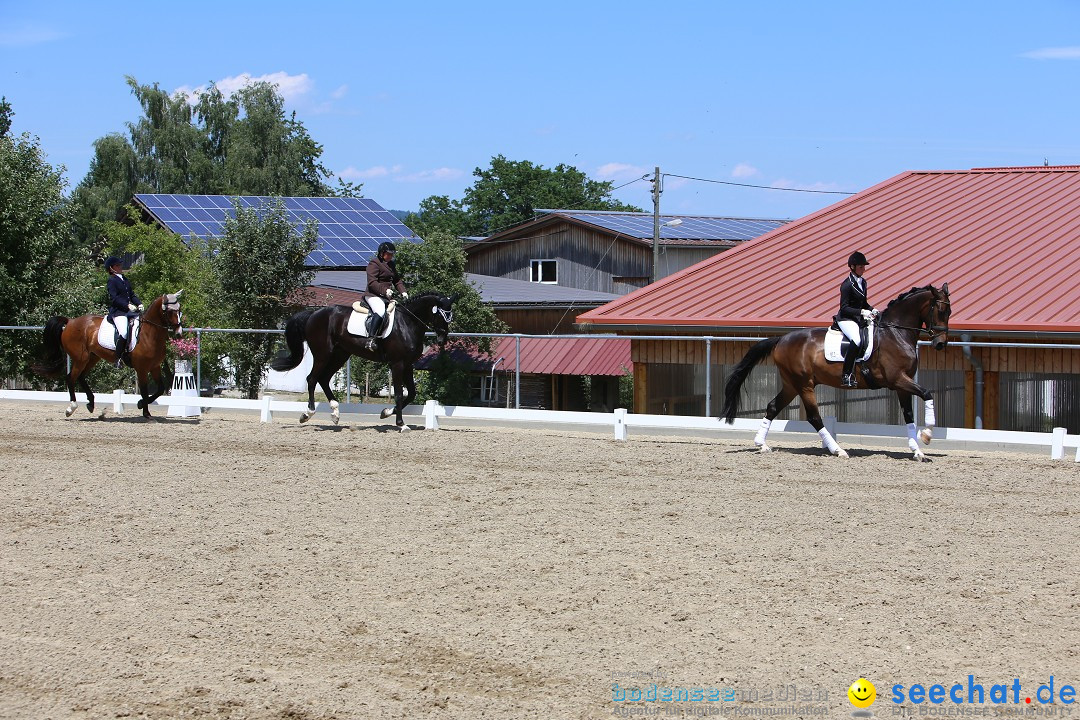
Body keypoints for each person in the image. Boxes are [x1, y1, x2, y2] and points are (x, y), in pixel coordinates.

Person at [835, 251, 877, 387]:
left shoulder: (863, 282)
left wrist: (871, 309)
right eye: (861, 267)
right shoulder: (846, 285)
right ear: (852, 267)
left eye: (864, 267)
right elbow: (844, 308)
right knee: (857, 339)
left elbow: (863, 302)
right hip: (846, 319)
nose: (864, 269)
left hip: (857, 318)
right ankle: (846, 375)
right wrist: (862, 312)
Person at [363, 242, 409, 351]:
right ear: (381, 253)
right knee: (380, 312)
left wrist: (403, 291)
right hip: (373, 295)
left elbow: (397, 280)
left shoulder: (391, 264)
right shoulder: (374, 263)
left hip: (385, 297)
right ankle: (370, 339)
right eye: (388, 254)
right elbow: (372, 282)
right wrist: (385, 290)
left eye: (391, 255)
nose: (390, 257)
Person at [105, 256, 143, 367]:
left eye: (120, 265)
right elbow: (114, 298)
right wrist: (127, 306)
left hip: (129, 311)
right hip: (118, 312)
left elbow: (131, 294)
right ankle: (117, 359)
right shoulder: (111, 280)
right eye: (118, 265)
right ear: (111, 268)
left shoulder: (124, 279)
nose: (120, 267)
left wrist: (139, 303)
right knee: (124, 332)